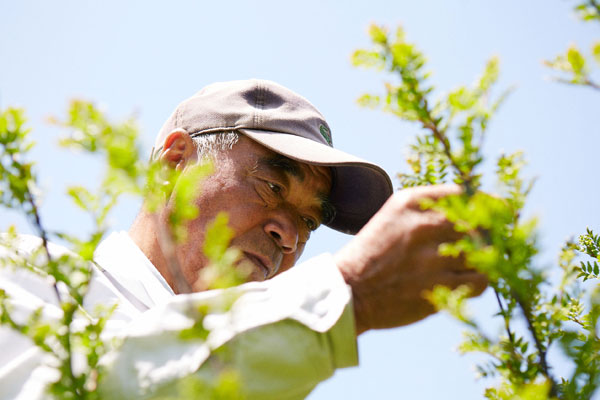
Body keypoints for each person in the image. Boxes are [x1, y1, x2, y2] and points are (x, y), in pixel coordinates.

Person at [0, 79, 487, 399]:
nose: (289, 235)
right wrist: (350, 293)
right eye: (273, 187)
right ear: (175, 164)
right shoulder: (24, 274)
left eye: (310, 224)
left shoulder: (267, 378)